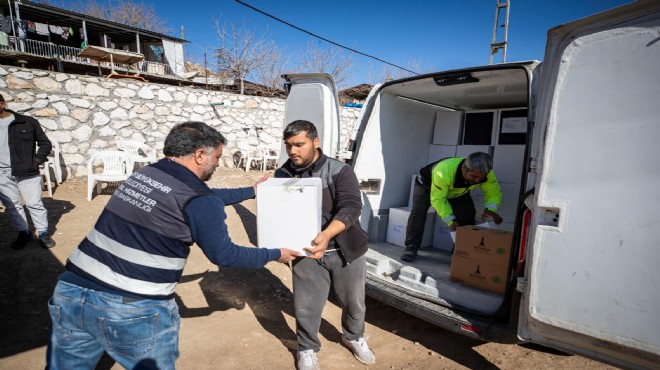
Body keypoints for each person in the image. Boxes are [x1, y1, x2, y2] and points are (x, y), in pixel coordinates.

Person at [45, 121, 299, 370]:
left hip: (72, 291)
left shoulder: (147, 174)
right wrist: (275, 253)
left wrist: (251, 191)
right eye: (218, 157)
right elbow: (224, 254)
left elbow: (199, 198)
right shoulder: (197, 198)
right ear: (200, 155)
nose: (218, 164)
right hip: (132, 306)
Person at [275, 120, 375, 370]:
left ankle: (354, 337)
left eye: (299, 144)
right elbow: (279, 211)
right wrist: (278, 243)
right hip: (305, 252)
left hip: (345, 250)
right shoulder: (283, 174)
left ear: (315, 141)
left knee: (353, 301)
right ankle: (307, 348)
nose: (293, 151)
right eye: (288, 146)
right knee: (306, 305)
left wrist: (327, 234)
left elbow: (351, 206)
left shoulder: (339, 170)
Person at [400, 152, 503, 262]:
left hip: (457, 192)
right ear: (464, 168)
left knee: (468, 216)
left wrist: (490, 210)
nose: (477, 181)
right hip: (426, 185)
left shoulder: (486, 173)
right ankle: (411, 248)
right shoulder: (443, 171)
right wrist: (450, 220)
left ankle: (460, 252)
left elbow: (493, 192)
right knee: (418, 213)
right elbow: (438, 200)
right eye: (474, 176)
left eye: (480, 178)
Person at [0, 92, 56, 249]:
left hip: (26, 172)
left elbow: (45, 144)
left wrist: (35, 161)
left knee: (34, 203)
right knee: (12, 206)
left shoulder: (27, 122)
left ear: (2, 104)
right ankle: (24, 232)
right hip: (2, 174)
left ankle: (43, 232)